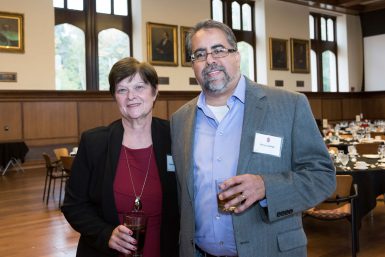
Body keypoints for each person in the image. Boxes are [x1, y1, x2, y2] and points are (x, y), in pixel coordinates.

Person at [170, 19, 336, 257]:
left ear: (236, 55)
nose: (210, 60)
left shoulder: (289, 105)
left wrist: (267, 187)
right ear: (193, 64)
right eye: (200, 54)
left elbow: (323, 176)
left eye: (218, 50)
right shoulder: (180, 120)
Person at [62, 57, 179, 257]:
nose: (131, 96)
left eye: (139, 87)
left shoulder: (175, 137)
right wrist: (105, 234)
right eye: (122, 89)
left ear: (155, 91)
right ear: (115, 96)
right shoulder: (94, 143)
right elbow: (74, 206)